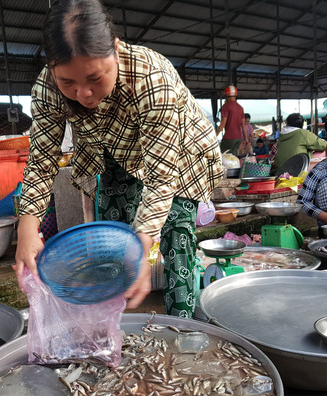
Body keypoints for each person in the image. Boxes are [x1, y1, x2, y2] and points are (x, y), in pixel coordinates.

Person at [14, 0, 223, 317]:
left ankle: (182, 329)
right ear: (53, 69)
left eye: (95, 78)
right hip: (112, 155)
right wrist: (27, 229)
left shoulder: (151, 77)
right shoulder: (47, 88)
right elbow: (42, 160)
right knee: (113, 244)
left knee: (175, 238)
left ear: (114, 49)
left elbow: (161, 177)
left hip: (176, 156)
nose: (82, 94)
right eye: (67, 82)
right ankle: (118, 331)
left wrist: (144, 245)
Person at [216, 85, 248, 155]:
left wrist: (215, 135)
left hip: (229, 137)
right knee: (233, 158)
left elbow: (222, 124)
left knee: (222, 156)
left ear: (226, 95)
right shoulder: (240, 108)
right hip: (238, 138)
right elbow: (243, 126)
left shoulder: (226, 106)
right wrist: (246, 139)